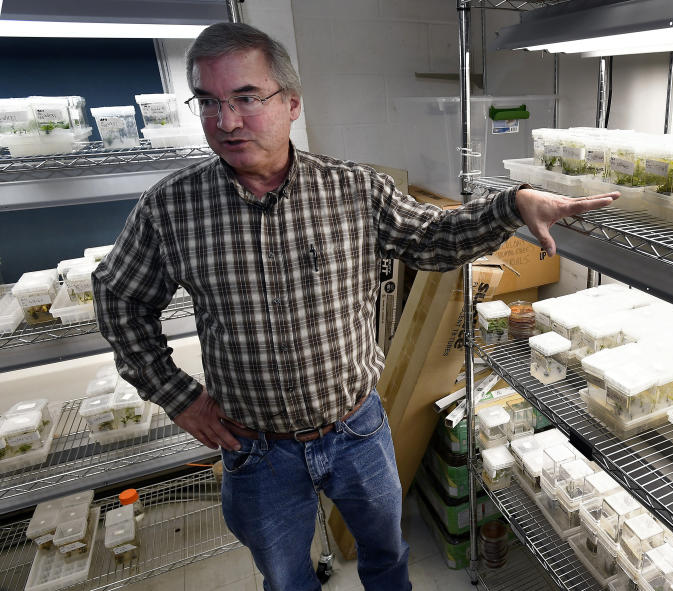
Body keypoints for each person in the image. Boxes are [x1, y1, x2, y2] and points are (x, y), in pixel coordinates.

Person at [92, 22, 616, 591]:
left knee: (387, 559)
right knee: (285, 577)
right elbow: (119, 299)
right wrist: (180, 398)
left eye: (246, 97)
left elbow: (434, 239)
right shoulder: (171, 207)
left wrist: (512, 203)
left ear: (291, 103)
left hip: (355, 430)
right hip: (254, 446)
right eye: (210, 102)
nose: (227, 121)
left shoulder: (352, 190)